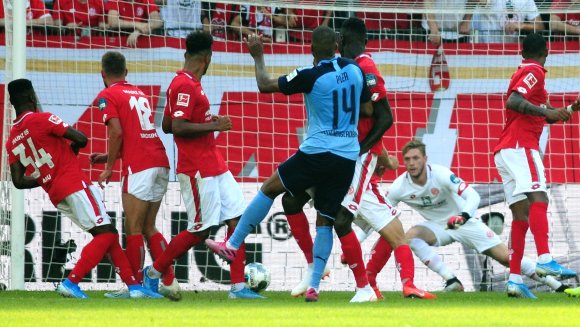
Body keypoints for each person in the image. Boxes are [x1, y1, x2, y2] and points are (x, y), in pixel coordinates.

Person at [205, 26, 377, 303]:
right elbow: (368, 110)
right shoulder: (354, 70)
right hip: (347, 156)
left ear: (311, 49)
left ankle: (233, 244)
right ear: (336, 45)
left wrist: (258, 56)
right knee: (326, 218)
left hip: (318, 151)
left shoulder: (310, 75)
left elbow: (264, 85)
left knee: (269, 188)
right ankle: (315, 288)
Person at [281, 17, 435, 301]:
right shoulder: (343, 69)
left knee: (339, 218)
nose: (341, 46)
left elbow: (382, 116)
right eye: (340, 42)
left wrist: (362, 150)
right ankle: (321, 272)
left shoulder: (365, 67)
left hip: (353, 157)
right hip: (333, 154)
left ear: (353, 42)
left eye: (345, 41)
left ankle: (365, 286)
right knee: (293, 201)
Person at [5, 79, 162, 299]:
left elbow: (19, 181)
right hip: (73, 183)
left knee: (106, 235)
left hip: (56, 193)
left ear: (12, 102)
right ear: (32, 97)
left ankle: (135, 288)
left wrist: (46, 176)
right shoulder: (44, 118)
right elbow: (81, 138)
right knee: (107, 233)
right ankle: (71, 282)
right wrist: (73, 149)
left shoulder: (12, 139)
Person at [141, 31, 263, 299]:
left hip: (214, 164)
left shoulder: (186, 83)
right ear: (207, 58)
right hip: (196, 169)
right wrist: (214, 125)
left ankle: (238, 287)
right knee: (200, 230)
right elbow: (178, 127)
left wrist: (206, 118)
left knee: (237, 219)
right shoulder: (185, 85)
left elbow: (166, 124)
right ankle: (152, 274)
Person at [375, 140, 569, 299]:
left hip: (465, 222)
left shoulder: (441, 174)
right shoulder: (399, 186)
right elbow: (380, 214)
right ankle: (451, 280)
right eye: (407, 159)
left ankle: (557, 285)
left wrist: (464, 215)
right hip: (438, 227)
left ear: (425, 159)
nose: (411, 163)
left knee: (506, 258)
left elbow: (473, 196)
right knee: (411, 237)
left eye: (416, 158)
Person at [493, 33, 579, 297]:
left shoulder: (530, 76)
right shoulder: (534, 72)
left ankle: (515, 279)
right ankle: (544, 259)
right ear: (547, 50)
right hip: (521, 147)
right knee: (539, 196)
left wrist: (572, 108)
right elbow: (514, 101)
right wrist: (545, 111)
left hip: (505, 151)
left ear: (522, 50)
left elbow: (546, 115)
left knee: (521, 216)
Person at [88, 51, 179, 300]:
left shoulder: (107, 95)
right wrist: (108, 157)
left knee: (133, 229)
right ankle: (169, 281)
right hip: (160, 161)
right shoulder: (139, 93)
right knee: (149, 226)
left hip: (138, 168)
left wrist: (108, 168)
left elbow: (117, 132)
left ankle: (135, 287)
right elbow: (135, 136)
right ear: (126, 72)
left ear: (102, 74)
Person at [472, 0, 543, 44]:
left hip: (511, 50)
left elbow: (539, 26)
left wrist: (521, 25)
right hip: (487, 47)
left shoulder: (527, 1)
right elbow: (482, 2)